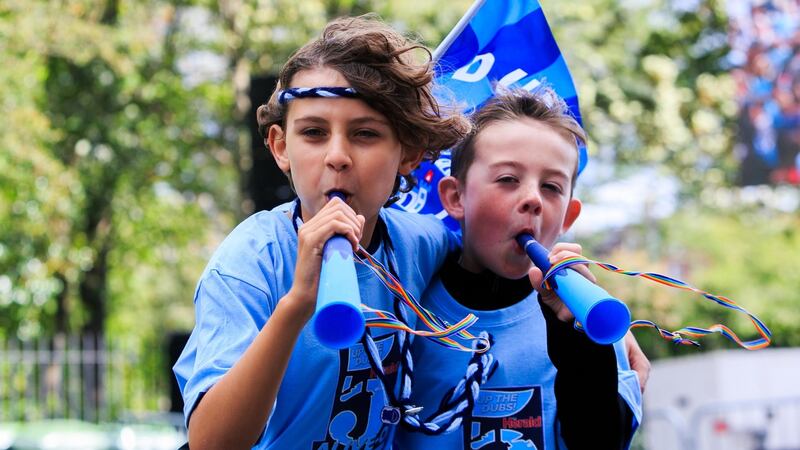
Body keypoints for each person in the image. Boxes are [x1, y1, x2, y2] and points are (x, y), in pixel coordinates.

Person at [172, 15, 471, 449]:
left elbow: (488, 266)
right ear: (280, 148)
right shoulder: (248, 262)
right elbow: (210, 442)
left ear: (409, 154)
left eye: (365, 134)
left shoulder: (422, 243)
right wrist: (297, 303)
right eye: (313, 133)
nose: (337, 156)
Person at [395, 87, 643, 450]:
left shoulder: (585, 314)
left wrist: (582, 344)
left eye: (552, 187)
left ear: (568, 216)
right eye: (508, 179)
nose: (532, 199)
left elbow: (604, 440)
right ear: (455, 197)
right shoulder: (409, 305)